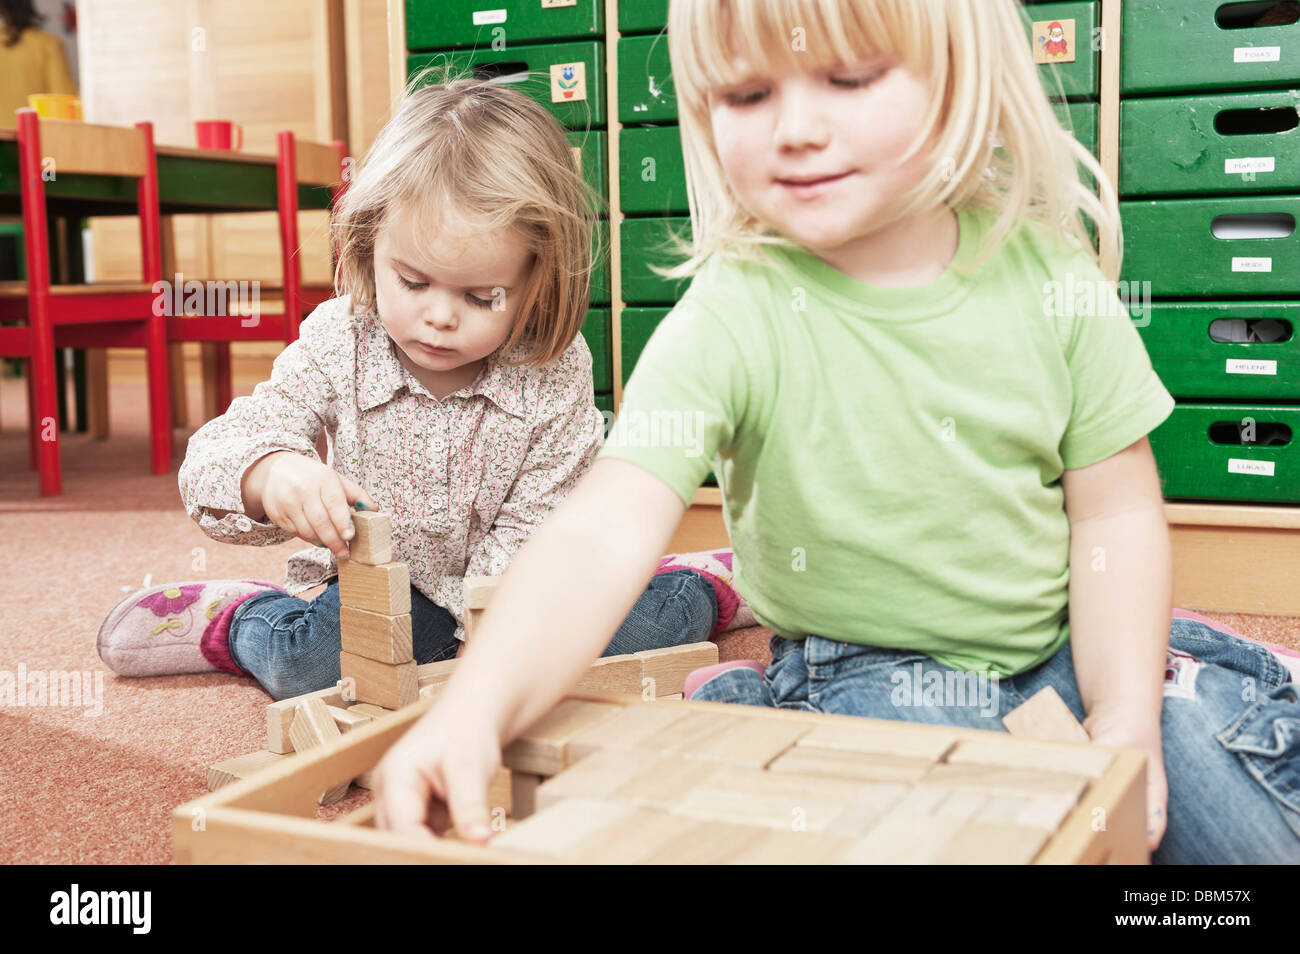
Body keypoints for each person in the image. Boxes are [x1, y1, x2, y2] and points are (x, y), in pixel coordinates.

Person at [370, 0, 1300, 864]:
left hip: (1066, 647)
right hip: (869, 670)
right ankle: (759, 712)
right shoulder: (732, 313)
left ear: (957, 72)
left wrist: (1126, 713)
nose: (796, 129)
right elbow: (604, 529)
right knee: (984, 833)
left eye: (849, 79)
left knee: (1239, 814)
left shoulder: (1053, 278)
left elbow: (1115, 517)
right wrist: (475, 710)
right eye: (747, 94)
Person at [95, 71, 728, 700]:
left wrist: (494, 641)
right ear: (369, 245)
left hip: (524, 584)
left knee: (655, 629)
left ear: (535, 282)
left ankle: (709, 581)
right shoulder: (341, 339)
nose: (440, 317)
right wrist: (273, 474)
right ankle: (236, 618)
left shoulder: (553, 367)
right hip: (388, 591)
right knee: (311, 668)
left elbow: (542, 521)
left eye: (482, 296)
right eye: (415, 282)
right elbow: (216, 454)